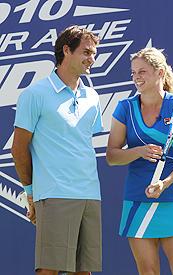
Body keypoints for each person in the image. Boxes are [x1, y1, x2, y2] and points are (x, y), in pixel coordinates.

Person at [11, 25, 103, 275]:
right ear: (66, 51)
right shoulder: (34, 94)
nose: (91, 59)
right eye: (86, 52)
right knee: (49, 270)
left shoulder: (92, 97)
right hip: (54, 194)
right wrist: (30, 192)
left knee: (83, 271)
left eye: (94, 53)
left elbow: (80, 144)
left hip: (89, 194)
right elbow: (18, 149)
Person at [106, 47, 173, 275]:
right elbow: (112, 156)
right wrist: (138, 151)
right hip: (137, 203)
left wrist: (165, 182)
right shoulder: (125, 108)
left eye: (143, 72)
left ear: (160, 73)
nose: (137, 77)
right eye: (134, 73)